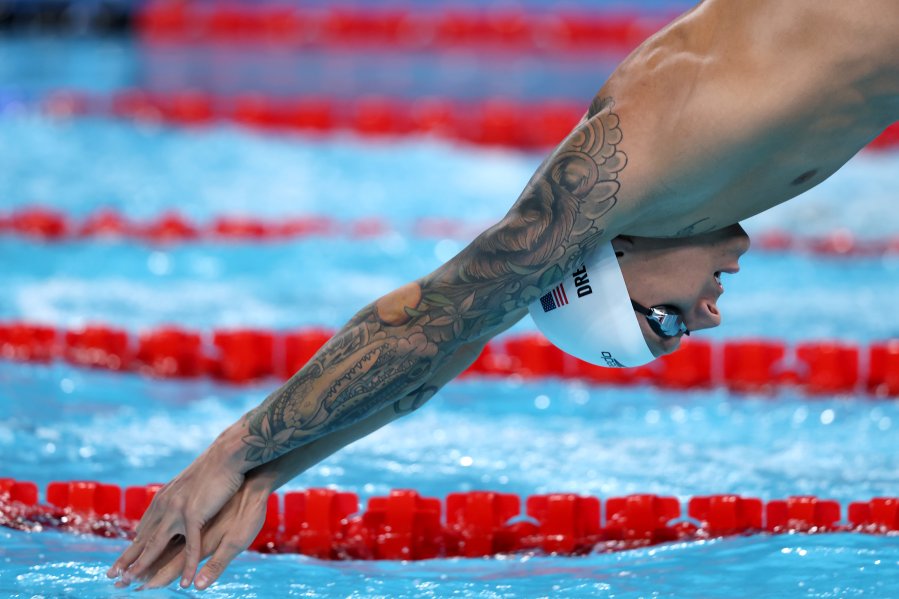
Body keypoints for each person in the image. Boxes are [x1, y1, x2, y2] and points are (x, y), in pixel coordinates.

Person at [108, 0, 899, 590]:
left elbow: (441, 314)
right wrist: (274, 475)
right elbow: (446, 352)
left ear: (612, 263)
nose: (708, 315)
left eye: (663, 320)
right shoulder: (685, 191)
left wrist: (231, 452)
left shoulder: (637, 157)